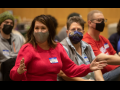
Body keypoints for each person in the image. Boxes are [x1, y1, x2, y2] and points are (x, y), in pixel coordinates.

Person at [9, 15, 107, 81]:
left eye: (43, 28)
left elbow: (71, 69)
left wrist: (89, 67)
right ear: (33, 30)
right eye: (36, 28)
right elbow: (13, 75)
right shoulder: (28, 48)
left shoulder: (57, 47)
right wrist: (19, 71)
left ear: (50, 31)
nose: (39, 31)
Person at [57, 16, 104, 81]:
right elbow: (62, 73)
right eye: (73, 29)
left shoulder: (87, 46)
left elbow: (96, 67)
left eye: (79, 30)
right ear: (67, 32)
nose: (76, 32)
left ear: (83, 32)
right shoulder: (62, 47)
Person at [82, 10, 120, 81]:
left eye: (103, 20)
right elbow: (103, 58)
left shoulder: (103, 39)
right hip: (102, 76)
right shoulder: (86, 41)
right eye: (99, 20)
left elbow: (115, 56)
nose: (102, 23)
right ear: (90, 23)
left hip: (115, 72)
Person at [0, 11, 24, 81]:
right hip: (3, 66)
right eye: (6, 22)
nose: (9, 25)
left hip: (18, 64)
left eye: (11, 23)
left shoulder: (19, 37)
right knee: (9, 63)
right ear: (0, 25)